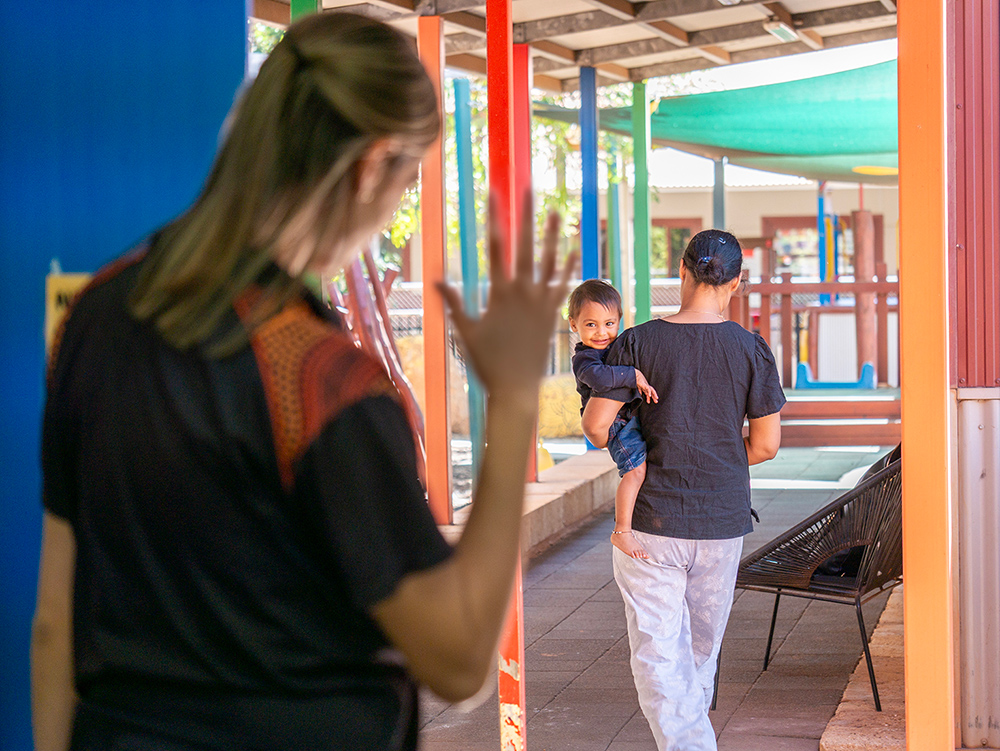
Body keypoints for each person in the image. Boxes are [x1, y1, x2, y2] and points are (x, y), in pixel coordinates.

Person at [32, 12, 574, 751]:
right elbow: (457, 660)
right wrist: (511, 402)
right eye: (406, 178)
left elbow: (55, 624)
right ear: (369, 165)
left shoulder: (96, 317)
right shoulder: (319, 379)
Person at [582, 229, 784, 751]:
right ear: (736, 283)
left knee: (657, 653)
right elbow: (765, 446)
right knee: (698, 651)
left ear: (682, 270)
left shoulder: (636, 342)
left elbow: (598, 425)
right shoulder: (751, 349)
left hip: (651, 521)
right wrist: (712, 453)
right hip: (720, 521)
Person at [567, 279, 658, 559]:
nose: (601, 332)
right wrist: (632, 375)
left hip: (626, 418)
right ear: (574, 325)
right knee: (635, 472)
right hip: (617, 426)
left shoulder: (617, 347)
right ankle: (622, 531)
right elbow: (600, 378)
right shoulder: (585, 359)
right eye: (590, 324)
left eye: (609, 323)